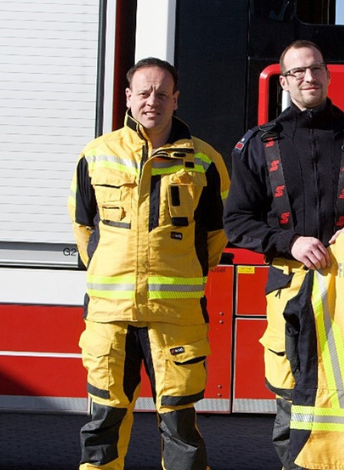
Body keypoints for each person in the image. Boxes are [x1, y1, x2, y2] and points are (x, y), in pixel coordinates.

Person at [223, 40, 344, 470]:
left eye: (315, 70)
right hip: (290, 295)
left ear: (328, 75)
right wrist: (288, 243)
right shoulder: (257, 146)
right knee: (293, 406)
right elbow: (236, 221)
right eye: (297, 72)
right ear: (285, 81)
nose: (308, 78)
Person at [70, 57, 229, 470]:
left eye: (162, 93)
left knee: (180, 427)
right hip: (110, 318)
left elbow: (216, 235)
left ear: (176, 99)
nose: (152, 101)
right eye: (143, 92)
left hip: (175, 318)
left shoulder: (205, 161)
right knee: (103, 423)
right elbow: (84, 229)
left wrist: (179, 272)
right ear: (128, 97)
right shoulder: (96, 155)